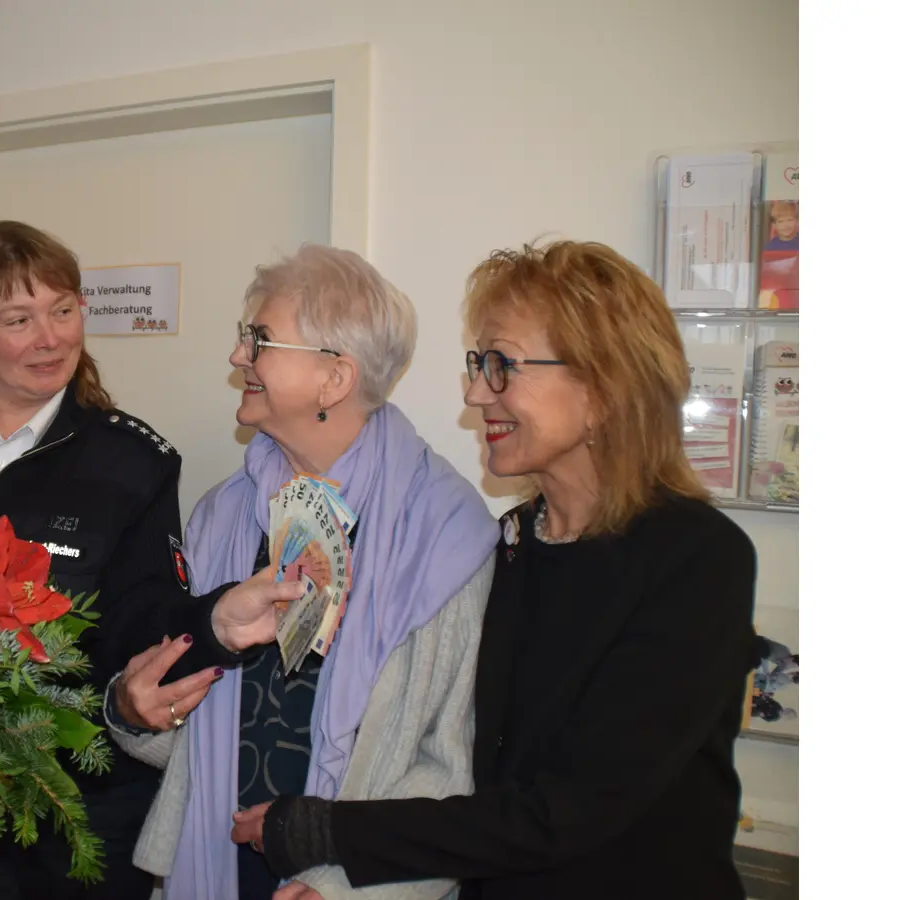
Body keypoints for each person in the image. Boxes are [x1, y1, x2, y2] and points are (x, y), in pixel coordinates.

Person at [226, 240, 758, 899]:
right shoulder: (511, 543)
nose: (477, 393)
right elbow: (463, 766)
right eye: (479, 364)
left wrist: (330, 834)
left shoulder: (697, 559)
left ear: (602, 388)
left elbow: (570, 811)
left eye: (502, 365)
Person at [0, 220, 298, 900]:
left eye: (63, 310)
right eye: (18, 319)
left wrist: (216, 623)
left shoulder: (133, 462)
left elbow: (147, 621)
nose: (50, 337)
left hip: (76, 815)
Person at [104, 244, 500, 900]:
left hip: (359, 883)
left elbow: (451, 764)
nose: (238, 356)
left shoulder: (446, 535)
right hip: (218, 867)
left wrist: (338, 883)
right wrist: (137, 712)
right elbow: (193, 729)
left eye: (258, 339)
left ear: (334, 378)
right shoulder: (224, 515)